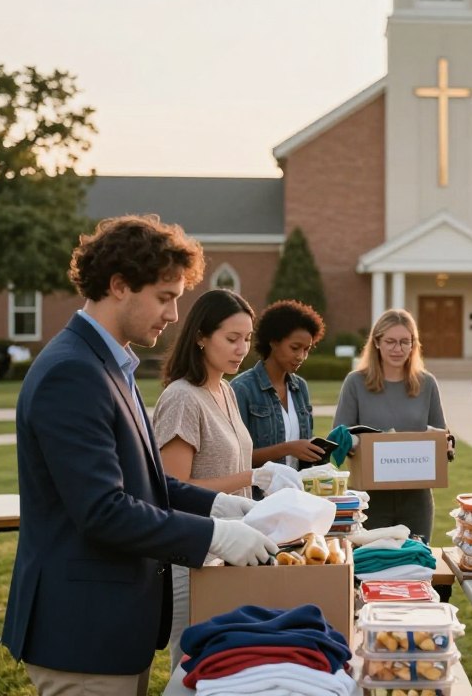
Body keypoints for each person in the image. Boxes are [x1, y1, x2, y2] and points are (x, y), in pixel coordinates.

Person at [2, 215, 276, 696]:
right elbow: (103, 510)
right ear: (119, 285)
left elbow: (147, 484)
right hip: (82, 633)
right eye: (165, 297)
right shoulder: (73, 371)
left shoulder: (113, 363)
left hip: (114, 626)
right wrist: (216, 534)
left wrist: (226, 507)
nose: (173, 315)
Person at [153, 288, 303, 672]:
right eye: (231, 338)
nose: (242, 349)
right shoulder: (183, 398)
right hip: (194, 556)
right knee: (192, 668)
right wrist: (254, 475)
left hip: (235, 551)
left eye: (247, 339)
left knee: (233, 666)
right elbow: (171, 490)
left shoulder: (225, 390)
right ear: (201, 337)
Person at [333, 308, 447, 541]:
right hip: (370, 499)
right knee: (370, 570)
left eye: (405, 342)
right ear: (377, 342)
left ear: (413, 344)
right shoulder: (356, 382)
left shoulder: (427, 384)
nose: (398, 349)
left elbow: (440, 437)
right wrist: (357, 443)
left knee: (417, 566)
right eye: (391, 342)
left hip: (417, 498)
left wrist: (447, 445)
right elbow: (338, 438)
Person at [231, 299, 327, 471]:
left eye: (306, 349)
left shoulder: (300, 388)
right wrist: (288, 448)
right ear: (273, 342)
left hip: (297, 493)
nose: (301, 356)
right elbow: (235, 457)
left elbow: (305, 444)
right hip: (258, 496)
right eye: (295, 347)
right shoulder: (242, 389)